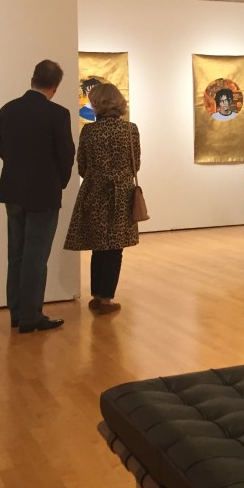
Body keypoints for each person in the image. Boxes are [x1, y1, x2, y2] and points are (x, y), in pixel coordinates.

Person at [0, 60, 75, 333]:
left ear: (32, 79)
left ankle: (17, 312)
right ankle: (31, 316)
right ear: (55, 87)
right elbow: (66, 156)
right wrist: (59, 183)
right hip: (44, 192)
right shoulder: (58, 114)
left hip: (13, 190)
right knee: (36, 256)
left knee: (16, 254)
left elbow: (2, 149)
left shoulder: (8, 110)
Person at [63, 82, 140, 314]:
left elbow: (82, 166)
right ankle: (106, 299)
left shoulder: (88, 131)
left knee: (99, 245)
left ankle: (97, 295)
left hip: (94, 192)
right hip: (121, 193)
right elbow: (135, 164)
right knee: (115, 247)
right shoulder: (130, 129)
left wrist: (98, 176)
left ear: (97, 104)